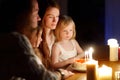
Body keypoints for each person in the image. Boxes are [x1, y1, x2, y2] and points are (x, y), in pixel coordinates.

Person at [0, 0, 74, 80]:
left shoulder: (57, 34)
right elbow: (44, 77)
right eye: (35, 13)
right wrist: (61, 73)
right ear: (23, 16)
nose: (38, 18)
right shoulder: (17, 40)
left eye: (57, 16)